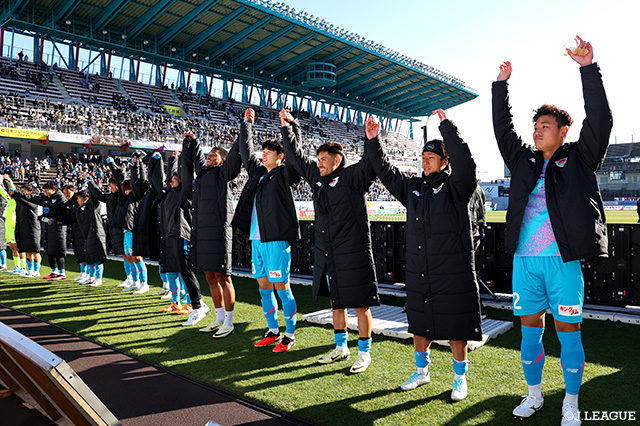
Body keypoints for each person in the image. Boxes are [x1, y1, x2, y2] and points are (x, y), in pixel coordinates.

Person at [493, 36, 612, 426]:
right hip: (525, 263)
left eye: (545, 126)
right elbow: (502, 129)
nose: (537, 131)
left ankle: (571, 403)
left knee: (568, 333)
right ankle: (534, 396)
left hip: (563, 262)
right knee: (530, 334)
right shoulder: (523, 161)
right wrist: (500, 88)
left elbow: (600, 120)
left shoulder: (580, 157)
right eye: (535, 126)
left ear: (563, 131)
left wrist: (588, 68)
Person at [365, 111, 482, 400]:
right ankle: (421, 371)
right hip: (420, 271)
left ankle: (459, 378)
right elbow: (386, 172)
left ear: (444, 161)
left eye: (431, 157)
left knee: (456, 326)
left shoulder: (457, 187)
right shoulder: (413, 188)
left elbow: (466, 164)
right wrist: (373, 140)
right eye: (423, 157)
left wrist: (447, 129)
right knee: (419, 323)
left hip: (451, 271)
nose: (425, 161)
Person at [280, 109, 380, 373]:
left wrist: (371, 139)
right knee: (336, 302)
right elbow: (296, 157)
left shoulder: (353, 177)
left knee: (360, 305)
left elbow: (371, 163)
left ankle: (364, 353)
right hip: (328, 253)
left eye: (323, 159)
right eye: (318, 159)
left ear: (337, 160)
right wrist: (288, 128)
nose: (319, 164)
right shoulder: (316, 178)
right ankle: (340, 347)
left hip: (354, 252)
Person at [232, 108, 301, 352]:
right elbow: (245, 151)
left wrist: (290, 126)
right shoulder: (259, 174)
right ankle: (273, 330)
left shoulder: (286, 174)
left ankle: (290, 335)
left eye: (268, 153)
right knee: (263, 287)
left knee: (282, 288)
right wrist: (246, 125)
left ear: (280, 157)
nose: (263, 155)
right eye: (263, 152)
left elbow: (295, 154)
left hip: (276, 239)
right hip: (257, 240)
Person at [182, 131, 241, 338]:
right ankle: (219, 318)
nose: (209, 157)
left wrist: (244, 129)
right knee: (210, 276)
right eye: (208, 154)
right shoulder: (202, 174)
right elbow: (198, 159)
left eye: (214, 155)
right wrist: (194, 141)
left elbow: (235, 155)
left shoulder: (223, 173)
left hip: (218, 231)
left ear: (222, 160)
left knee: (224, 277)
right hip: (201, 230)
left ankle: (229, 322)